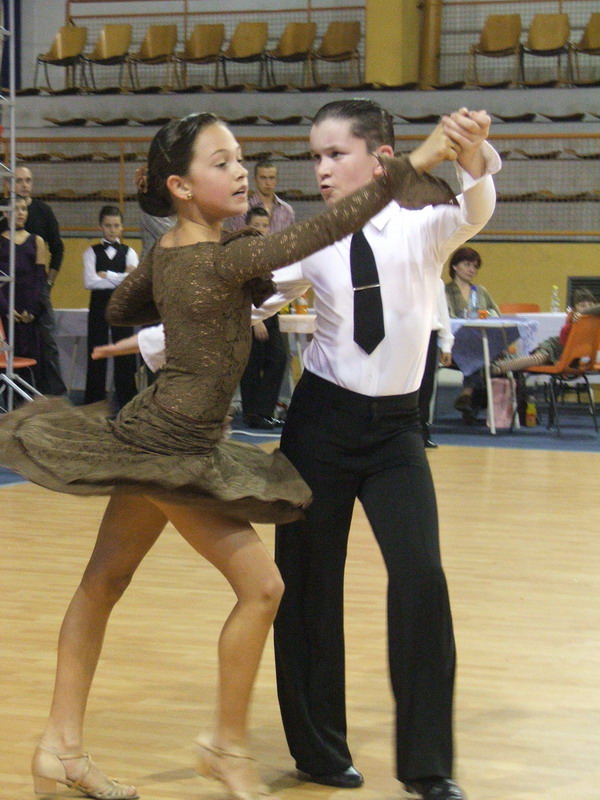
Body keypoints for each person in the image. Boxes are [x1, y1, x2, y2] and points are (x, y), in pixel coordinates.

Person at [0, 112, 459, 800]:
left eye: (240, 158)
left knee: (103, 583)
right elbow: (331, 226)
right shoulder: (222, 258)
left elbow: (124, 304)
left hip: (158, 434)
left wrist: (183, 302)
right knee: (263, 588)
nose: (241, 172)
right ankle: (224, 747)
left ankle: (59, 748)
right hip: (174, 448)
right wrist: (420, 158)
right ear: (181, 187)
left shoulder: (178, 253)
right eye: (222, 164)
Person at [132, 101, 500, 800]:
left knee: (421, 579)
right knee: (307, 586)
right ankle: (320, 751)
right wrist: (154, 340)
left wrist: (473, 153)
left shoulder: (424, 225)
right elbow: (241, 304)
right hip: (321, 426)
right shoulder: (309, 239)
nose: (321, 170)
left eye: (336, 155)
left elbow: (477, 208)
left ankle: (429, 765)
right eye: (316, 157)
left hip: (396, 434)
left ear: (381, 159)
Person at [1, 165, 67, 395]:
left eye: (28, 180)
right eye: (19, 180)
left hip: (37, 289)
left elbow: (58, 249)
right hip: (6, 293)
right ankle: (12, 395)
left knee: (47, 343)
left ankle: (54, 396)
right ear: (8, 184)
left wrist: (47, 285)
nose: (25, 185)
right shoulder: (2, 213)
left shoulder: (43, 211)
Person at [83, 205, 139, 409]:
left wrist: (107, 275)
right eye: (108, 225)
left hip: (122, 307)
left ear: (122, 227)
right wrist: (122, 277)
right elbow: (89, 282)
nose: (112, 230)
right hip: (98, 306)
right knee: (96, 350)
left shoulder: (130, 251)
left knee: (124, 351)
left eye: (116, 225)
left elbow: (132, 281)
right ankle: (94, 401)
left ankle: (127, 400)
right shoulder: (91, 252)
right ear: (100, 227)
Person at [239, 207, 287, 430]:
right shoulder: (241, 253)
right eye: (256, 225)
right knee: (251, 364)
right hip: (249, 316)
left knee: (278, 359)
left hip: (270, 313)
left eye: (264, 225)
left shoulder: (272, 253)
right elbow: (241, 288)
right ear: (247, 227)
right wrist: (255, 320)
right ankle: (252, 414)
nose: (261, 229)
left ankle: (265, 412)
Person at [445, 246, 500, 422]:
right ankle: (470, 397)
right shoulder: (445, 291)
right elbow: (448, 318)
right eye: (467, 265)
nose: (472, 270)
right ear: (455, 266)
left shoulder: (480, 291)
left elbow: (496, 314)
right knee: (481, 353)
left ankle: (468, 396)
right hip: (454, 344)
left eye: (475, 266)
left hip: (480, 341)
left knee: (483, 351)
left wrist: (488, 315)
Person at [492, 288, 600, 375]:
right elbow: (563, 338)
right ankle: (497, 368)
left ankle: (503, 360)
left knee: (533, 360)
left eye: (590, 305)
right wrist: (572, 320)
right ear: (574, 309)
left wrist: (582, 313)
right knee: (536, 359)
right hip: (554, 347)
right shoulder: (574, 318)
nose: (587, 308)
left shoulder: (593, 320)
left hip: (569, 355)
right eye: (582, 305)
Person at [0, 196, 47, 386]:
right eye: (16, 208)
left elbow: (39, 278)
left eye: (23, 209)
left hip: (27, 311)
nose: (20, 213)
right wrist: (5, 308)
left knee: (30, 358)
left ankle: (28, 400)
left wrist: (32, 310)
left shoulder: (37, 241)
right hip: (4, 308)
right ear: (5, 212)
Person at [418, 279, 454, 448]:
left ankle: (422, 431)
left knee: (426, 385)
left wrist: (446, 346)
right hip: (403, 334)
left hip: (428, 335)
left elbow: (443, 315)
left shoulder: (435, 281)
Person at [226, 158, 295, 233]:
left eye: (271, 178)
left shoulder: (286, 210)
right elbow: (238, 238)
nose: (268, 183)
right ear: (255, 180)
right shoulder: (242, 210)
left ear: (276, 181)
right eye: (263, 178)